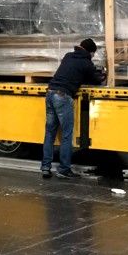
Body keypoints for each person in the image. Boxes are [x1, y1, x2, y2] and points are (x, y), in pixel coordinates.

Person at [42, 38, 104, 179]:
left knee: (50, 133)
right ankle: (64, 169)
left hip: (50, 93)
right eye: (93, 54)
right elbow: (95, 80)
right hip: (63, 96)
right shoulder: (87, 63)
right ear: (90, 52)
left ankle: (45, 168)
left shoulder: (68, 56)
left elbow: (73, 72)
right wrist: (102, 75)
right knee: (66, 134)